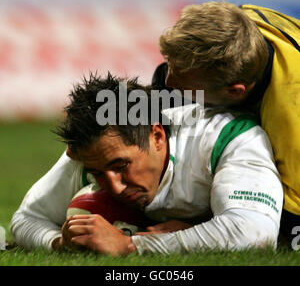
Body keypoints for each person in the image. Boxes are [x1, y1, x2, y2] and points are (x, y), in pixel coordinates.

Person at [11, 73, 283, 255]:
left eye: (121, 166)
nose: (114, 187)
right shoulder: (95, 152)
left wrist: (131, 245)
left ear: (156, 137)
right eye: (96, 173)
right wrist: (61, 243)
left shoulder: (227, 138)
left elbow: (254, 232)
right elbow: (27, 219)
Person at [153, 1, 300, 244]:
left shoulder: (291, 126)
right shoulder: (239, 24)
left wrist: (197, 225)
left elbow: (289, 233)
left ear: (234, 92)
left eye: (184, 83)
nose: (169, 80)